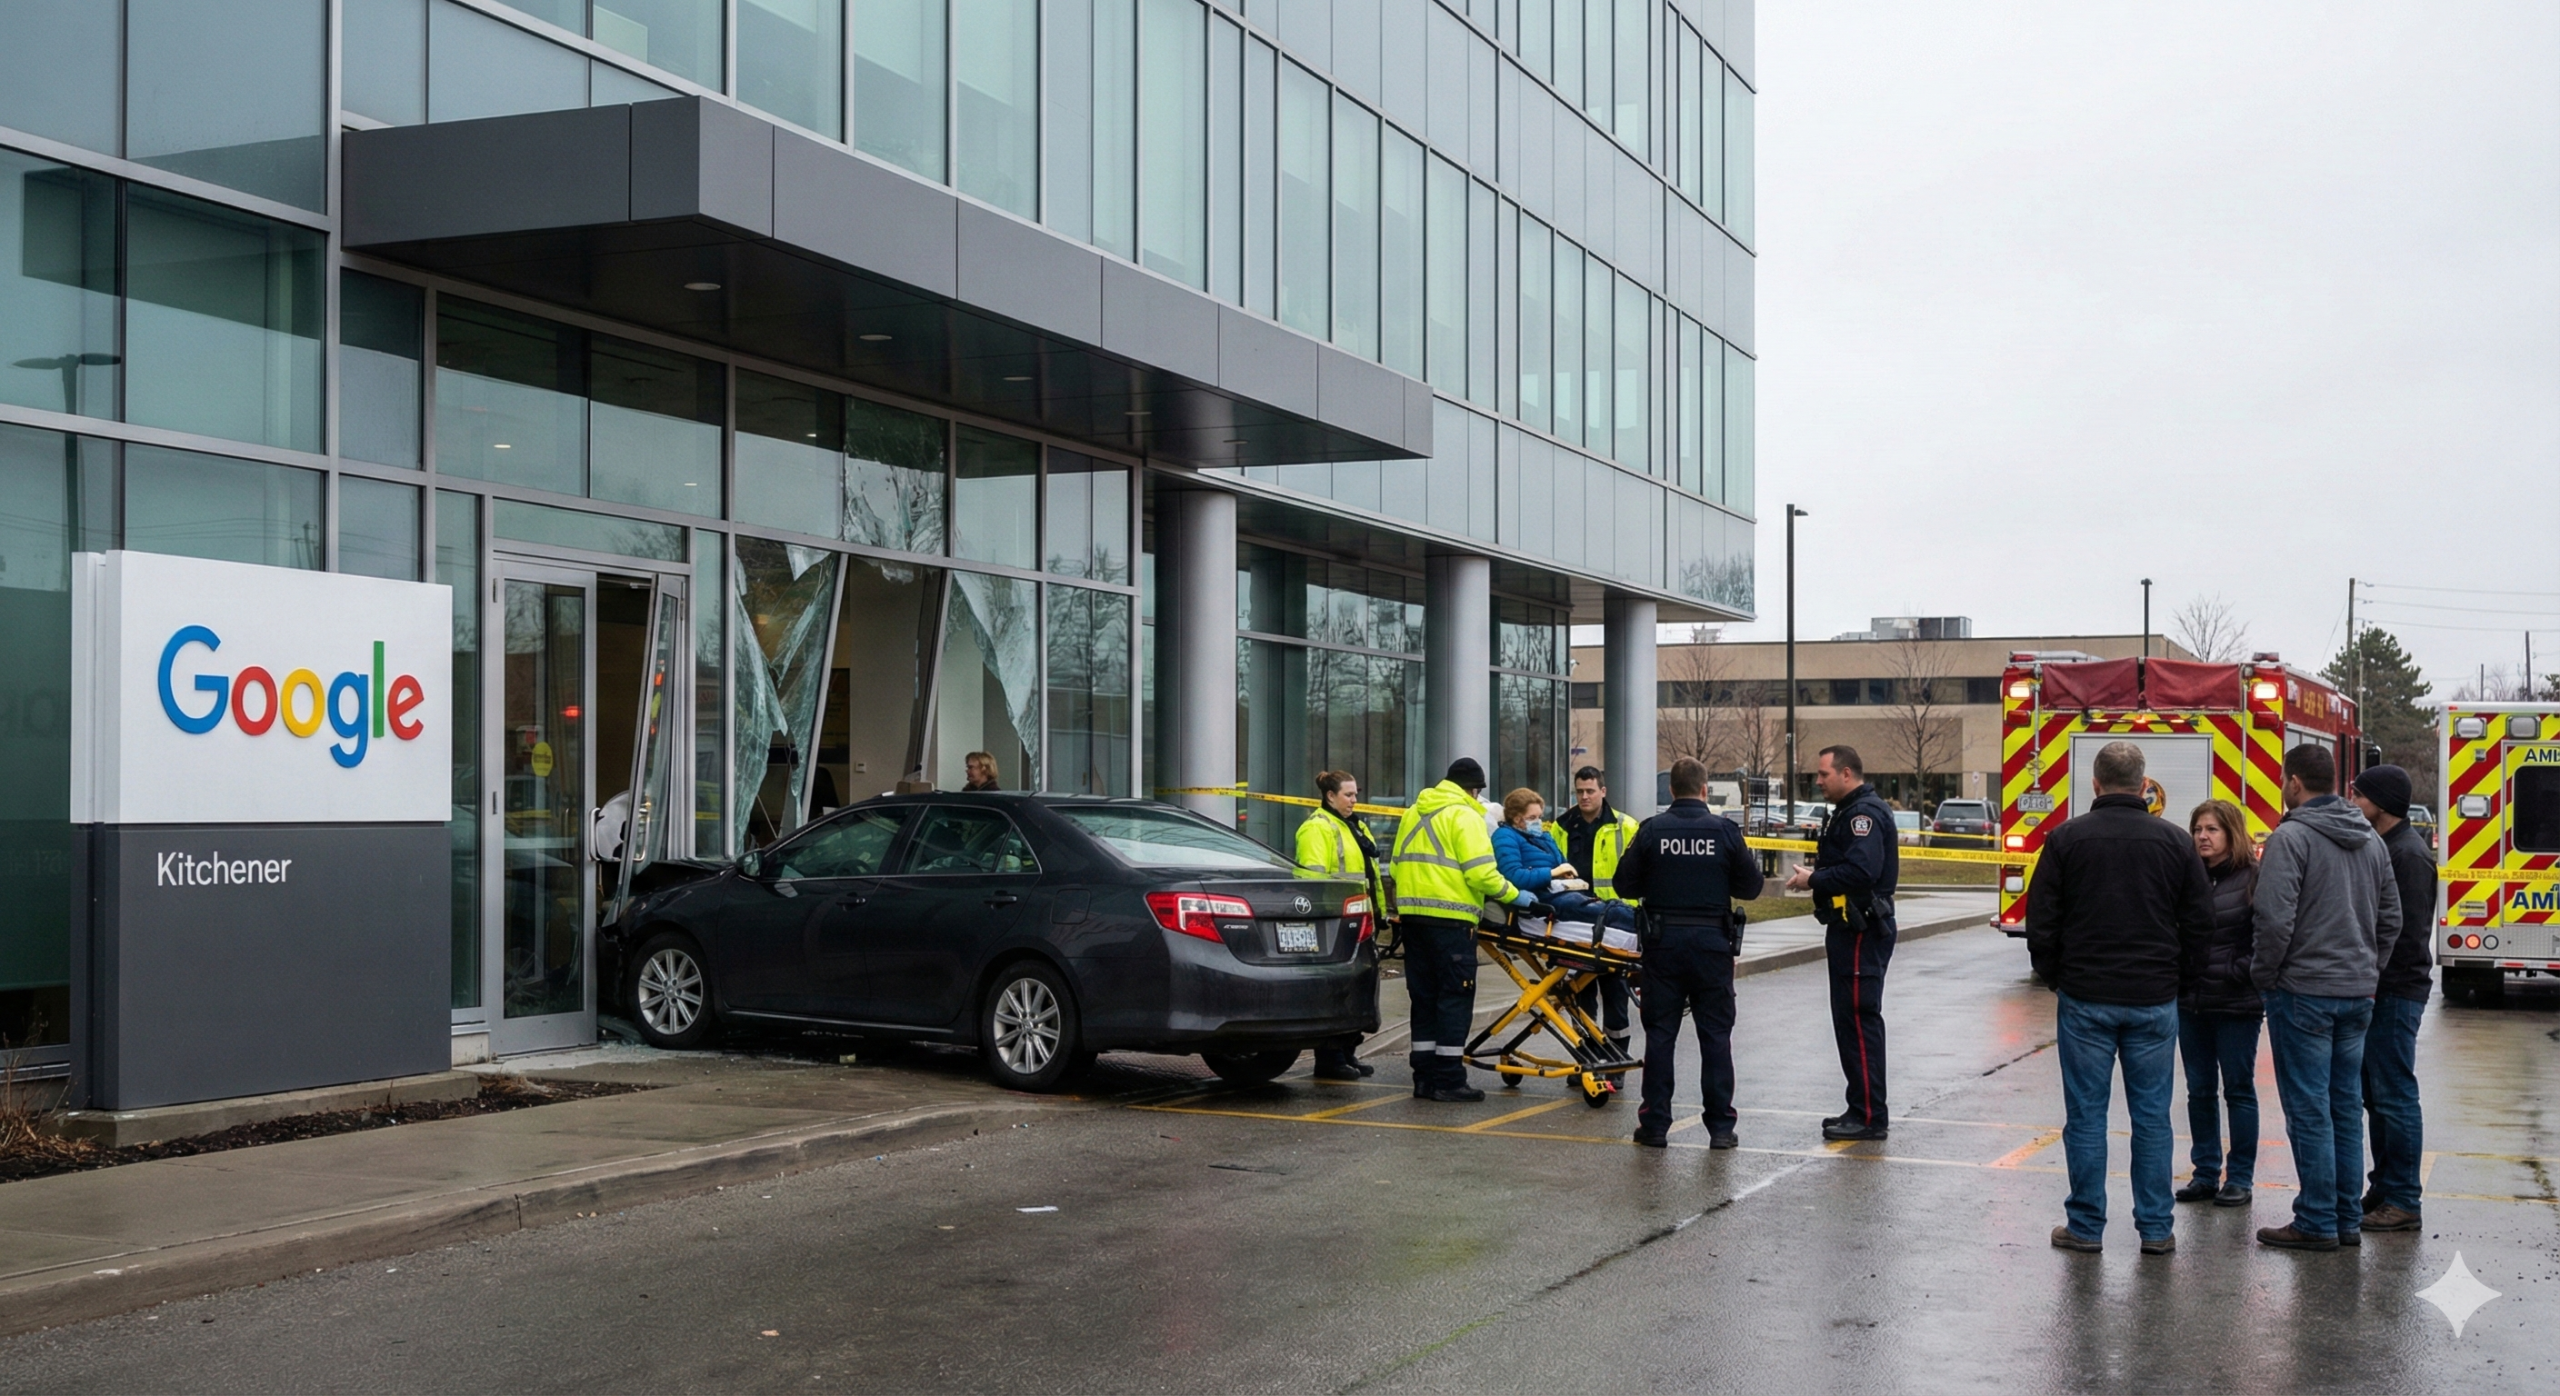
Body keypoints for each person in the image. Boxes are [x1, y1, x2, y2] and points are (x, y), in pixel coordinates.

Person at [2024, 742, 2214, 1255]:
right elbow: (2200, 925)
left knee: (2086, 1117)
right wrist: (2180, 980)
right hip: (2153, 999)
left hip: (2086, 997)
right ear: (2144, 784)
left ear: (2095, 783)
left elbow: (2041, 923)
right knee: (2152, 1118)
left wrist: (2056, 976)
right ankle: (2156, 1228)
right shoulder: (2175, 843)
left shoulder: (2066, 840)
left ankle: (2085, 1226)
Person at [2251, 744, 2402, 1252]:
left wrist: (2265, 976)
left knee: (2309, 1108)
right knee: (2342, 1107)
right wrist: (2367, 970)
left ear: (2294, 783)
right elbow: (2391, 919)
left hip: (2303, 993)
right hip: (2357, 993)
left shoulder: (2290, 838)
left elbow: (2273, 920)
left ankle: (2316, 1219)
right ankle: (2344, 1217)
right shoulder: (2371, 839)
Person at [1613, 758, 1765, 1149]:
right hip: (1713, 946)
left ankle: (1655, 1125)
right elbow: (1750, 888)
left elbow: (1623, 884)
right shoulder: (1725, 832)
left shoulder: (1652, 830)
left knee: (1661, 1035)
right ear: (1704, 789)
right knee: (1715, 1036)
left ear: (1670, 791)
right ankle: (1720, 1128)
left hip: (1663, 946)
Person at [1390, 758, 1537, 1102]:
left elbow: (1396, 866)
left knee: (1423, 999)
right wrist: (1518, 897)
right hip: (1452, 922)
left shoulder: (1414, 812)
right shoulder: (1465, 816)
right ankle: (1450, 1078)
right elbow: (1481, 874)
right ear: (1475, 790)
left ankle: (1424, 1078)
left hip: (1412, 919)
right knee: (1455, 998)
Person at [1783, 745, 1900, 1141]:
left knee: (1859, 1018)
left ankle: (1869, 1116)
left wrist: (1813, 879)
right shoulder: (1851, 812)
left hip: (1860, 929)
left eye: (1823, 774)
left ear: (1846, 773)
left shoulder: (1862, 815)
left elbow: (1861, 871)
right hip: (1850, 928)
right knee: (1849, 1021)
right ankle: (1860, 1106)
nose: (1818, 781)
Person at [2351, 763, 2435, 1235]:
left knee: (2394, 1095)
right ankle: (2383, 1187)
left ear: (2381, 804)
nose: (2354, 803)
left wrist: (2371, 975)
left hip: (2395, 991)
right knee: (2377, 1097)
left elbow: (2403, 934)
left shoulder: (2408, 856)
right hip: (2380, 988)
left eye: (2360, 796)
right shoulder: (2385, 847)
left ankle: (2403, 1198)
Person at [2175, 798, 2264, 1210]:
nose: (2202, 837)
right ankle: (2205, 1173)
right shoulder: (2187, 877)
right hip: (2191, 1003)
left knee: (2239, 1089)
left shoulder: (2253, 878)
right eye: (2197, 830)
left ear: (2231, 833)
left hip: (2235, 1003)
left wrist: (2238, 970)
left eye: (2211, 829)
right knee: (2199, 1091)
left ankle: (2240, 1177)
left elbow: (2268, 936)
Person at [1296, 770, 1384, 1082]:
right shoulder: (1317, 829)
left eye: (1356, 794)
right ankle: (1330, 1058)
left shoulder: (1354, 827)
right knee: (1335, 992)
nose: (1354, 800)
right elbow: (1313, 880)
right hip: (1334, 924)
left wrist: (1380, 915)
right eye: (1348, 795)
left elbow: (1368, 877)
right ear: (1330, 796)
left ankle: (1347, 1052)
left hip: (1357, 921)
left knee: (1356, 990)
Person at [1551, 767, 1643, 1050]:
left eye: (1590, 791)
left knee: (1615, 996)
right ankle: (1586, 1059)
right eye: (1579, 791)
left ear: (1603, 791)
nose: (1584, 796)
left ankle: (1615, 1060)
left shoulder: (1626, 826)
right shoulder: (1562, 826)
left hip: (1615, 926)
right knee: (1579, 996)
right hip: (1576, 923)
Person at [1492, 790, 1633, 930]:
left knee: (1604, 905)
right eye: (1532, 817)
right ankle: (1636, 922)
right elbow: (1512, 876)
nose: (1538, 822)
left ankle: (1637, 919)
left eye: (1540, 817)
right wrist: (1552, 873)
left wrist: (1565, 875)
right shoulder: (1505, 836)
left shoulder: (1543, 837)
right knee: (1596, 910)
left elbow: (1561, 864)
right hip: (1542, 898)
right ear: (1516, 818)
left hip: (1559, 891)